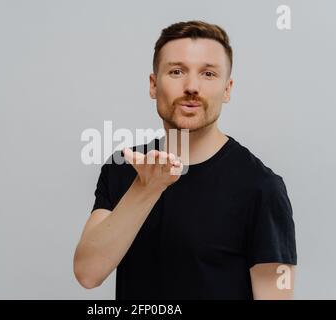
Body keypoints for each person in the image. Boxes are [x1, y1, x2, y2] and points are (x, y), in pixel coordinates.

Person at [73, 20, 297, 300]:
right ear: (154, 85)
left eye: (208, 74)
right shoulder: (123, 166)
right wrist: (147, 188)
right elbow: (88, 273)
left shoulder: (261, 187)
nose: (192, 86)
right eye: (177, 71)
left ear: (227, 90)